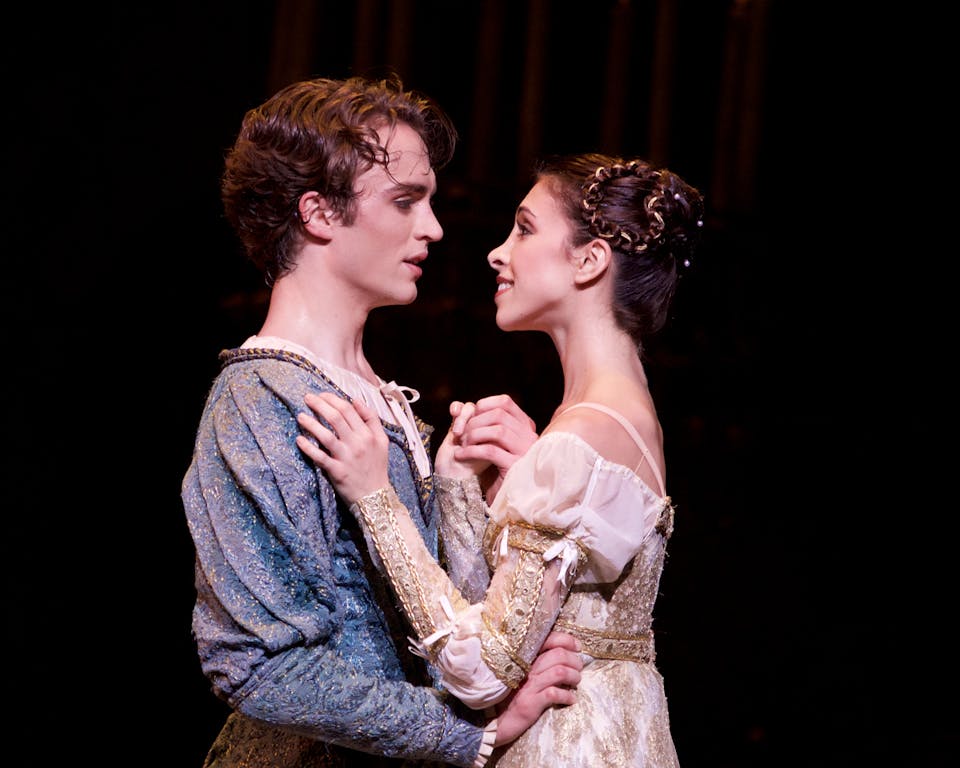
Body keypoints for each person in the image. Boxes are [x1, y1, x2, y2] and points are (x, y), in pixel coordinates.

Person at [181, 74, 584, 768]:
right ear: (318, 212)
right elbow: (257, 665)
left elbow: (442, 624)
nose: (434, 226)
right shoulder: (262, 400)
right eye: (405, 201)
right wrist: (472, 733)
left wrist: (466, 488)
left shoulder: (387, 402)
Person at [297, 152, 704, 767]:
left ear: (589, 261)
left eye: (525, 229)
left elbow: (483, 671)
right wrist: (469, 483)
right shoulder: (614, 418)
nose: (498, 251)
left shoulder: (584, 438)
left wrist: (375, 497)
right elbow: (504, 616)